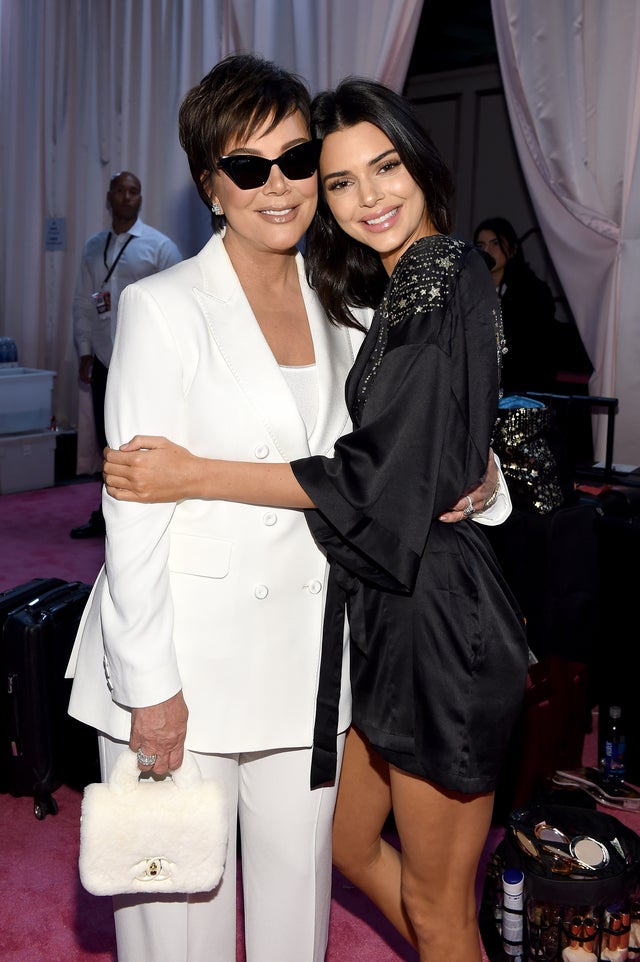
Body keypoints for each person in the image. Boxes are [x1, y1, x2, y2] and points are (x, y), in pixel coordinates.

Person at [67, 56, 509, 962]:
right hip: (188, 664)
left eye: (297, 160)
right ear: (210, 186)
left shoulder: (347, 302)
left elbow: (401, 448)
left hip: (314, 673)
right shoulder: (162, 308)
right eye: (247, 168)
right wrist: (150, 689)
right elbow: (136, 517)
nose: (281, 186)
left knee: (294, 924)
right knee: (175, 923)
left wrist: (483, 483)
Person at [69, 170, 181, 538]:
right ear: (109, 197)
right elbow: (82, 304)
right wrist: (85, 351)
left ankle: (144, 510)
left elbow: (179, 303)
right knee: (107, 438)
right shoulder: (92, 247)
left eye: (134, 191)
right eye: (121, 191)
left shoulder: (160, 247)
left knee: (140, 436)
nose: (128, 197)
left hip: (144, 363)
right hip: (104, 357)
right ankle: (107, 511)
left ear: (141, 199)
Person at [473, 216, 558, 394]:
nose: (487, 250)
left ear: (512, 249)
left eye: (495, 243)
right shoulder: (470, 289)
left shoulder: (533, 291)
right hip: (479, 388)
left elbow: (539, 351)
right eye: (480, 245)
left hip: (521, 391)